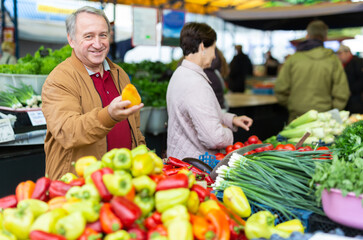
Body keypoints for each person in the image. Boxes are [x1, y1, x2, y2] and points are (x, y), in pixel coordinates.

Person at [42, 6, 145, 180]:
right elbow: (68, 132)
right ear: (71, 40)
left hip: (122, 181)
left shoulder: (119, 74)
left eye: (103, 35)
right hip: (79, 186)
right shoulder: (59, 79)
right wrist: (109, 115)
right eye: (88, 36)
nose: (98, 44)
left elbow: (135, 129)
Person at [166, 22, 253, 160]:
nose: (214, 56)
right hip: (196, 164)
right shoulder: (194, 83)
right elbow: (214, 139)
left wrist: (231, 120)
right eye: (214, 48)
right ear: (202, 47)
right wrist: (228, 131)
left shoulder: (181, 73)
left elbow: (203, 114)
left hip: (181, 159)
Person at [274, 20, 350, 122]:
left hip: (297, 117)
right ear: (325, 37)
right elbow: (342, 92)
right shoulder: (333, 60)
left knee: (295, 139)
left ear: (307, 35)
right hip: (323, 117)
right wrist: (332, 112)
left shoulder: (293, 59)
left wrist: (292, 105)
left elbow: (280, 89)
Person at [337, 45, 363, 114]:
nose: (338, 56)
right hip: (346, 99)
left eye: (340, 53)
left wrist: (351, 90)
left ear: (348, 53)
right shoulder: (342, 64)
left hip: (357, 99)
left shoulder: (358, 62)